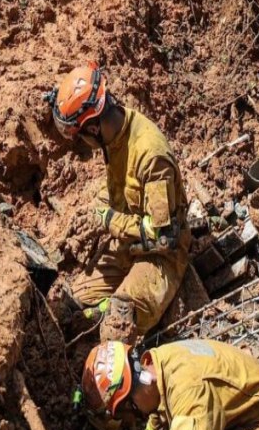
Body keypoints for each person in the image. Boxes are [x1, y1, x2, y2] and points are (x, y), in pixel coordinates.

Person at [44, 61, 190, 342]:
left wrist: (108, 221)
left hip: (161, 256)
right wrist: (94, 216)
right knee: (71, 306)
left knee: (116, 327)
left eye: (80, 137)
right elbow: (117, 188)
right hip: (127, 245)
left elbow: (162, 234)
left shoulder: (150, 155)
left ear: (93, 129)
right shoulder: (114, 136)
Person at [81, 339, 259, 430]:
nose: (135, 417)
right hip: (236, 406)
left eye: (132, 409)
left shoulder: (189, 392)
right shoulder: (156, 364)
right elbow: (156, 421)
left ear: (142, 381)